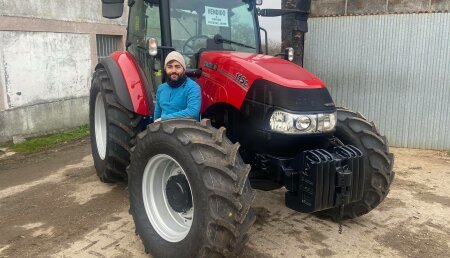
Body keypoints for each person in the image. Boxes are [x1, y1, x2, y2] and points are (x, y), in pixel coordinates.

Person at [153, 51, 201, 122]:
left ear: (184, 69)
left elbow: (193, 112)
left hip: (185, 130)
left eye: (177, 67)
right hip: (163, 130)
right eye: (169, 67)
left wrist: (164, 119)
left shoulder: (193, 87)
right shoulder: (161, 88)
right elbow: (157, 114)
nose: (174, 70)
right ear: (165, 69)